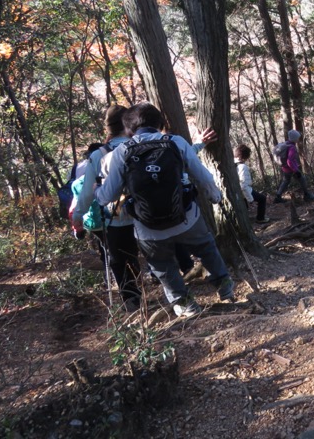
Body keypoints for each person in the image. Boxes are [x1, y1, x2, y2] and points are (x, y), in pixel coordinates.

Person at [95, 102, 234, 318]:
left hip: (148, 227)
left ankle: (186, 304)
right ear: (160, 124)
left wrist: (97, 192)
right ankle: (224, 285)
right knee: (205, 246)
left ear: (129, 130)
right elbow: (202, 175)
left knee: (162, 264)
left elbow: (109, 196)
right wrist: (215, 196)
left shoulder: (122, 152)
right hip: (186, 216)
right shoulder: (175, 142)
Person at [71, 106, 142, 312]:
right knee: (144, 253)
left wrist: (78, 216)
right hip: (146, 213)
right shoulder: (139, 145)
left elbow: (86, 193)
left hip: (115, 218)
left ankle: (132, 299)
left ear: (108, 128)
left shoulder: (99, 154)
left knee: (119, 260)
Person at [273, 129, 314, 203]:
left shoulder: (286, 144)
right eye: (298, 137)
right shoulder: (292, 147)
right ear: (295, 138)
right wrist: (296, 171)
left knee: (286, 181)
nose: (298, 139)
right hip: (291, 169)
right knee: (302, 179)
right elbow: (289, 161)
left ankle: (278, 196)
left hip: (285, 168)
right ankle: (307, 195)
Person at [234, 144, 269, 223]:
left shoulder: (232, 163)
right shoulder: (242, 167)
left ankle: (245, 223)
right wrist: (250, 199)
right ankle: (260, 218)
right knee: (262, 199)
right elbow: (243, 185)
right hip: (244, 191)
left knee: (244, 208)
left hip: (236, 192)